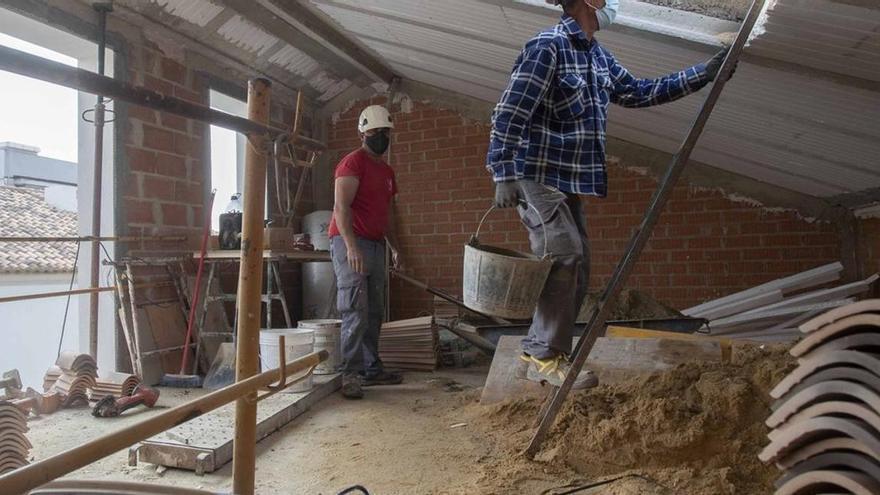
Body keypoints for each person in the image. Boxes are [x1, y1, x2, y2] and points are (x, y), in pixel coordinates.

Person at [486, 0, 733, 389]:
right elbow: (508, 112)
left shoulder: (598, 57)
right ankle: (543, 356)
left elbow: (637, 92)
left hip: (568, 180)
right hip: (534, 173)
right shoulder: (546, 47)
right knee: (564, 252)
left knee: (579, 263)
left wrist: (702, 74)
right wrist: (502, 172)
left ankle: (547, 352)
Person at [328, 105, 404, 399]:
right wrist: (351, 247)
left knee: (374, 310)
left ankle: (372, 368)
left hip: (375, 243)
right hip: (350, 240)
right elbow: (341, 208)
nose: (381, 137)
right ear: (362, 132)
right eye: (375, 132)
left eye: (385, 132)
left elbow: (389, 214)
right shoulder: (352, 163)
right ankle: (349, 373)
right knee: (354, 308)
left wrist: (395, 247)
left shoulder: (386, 171)